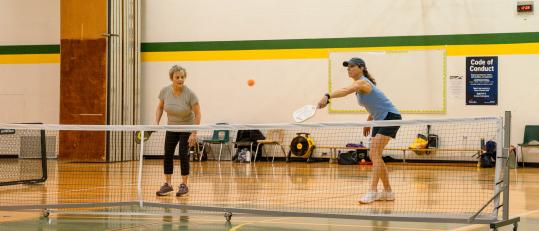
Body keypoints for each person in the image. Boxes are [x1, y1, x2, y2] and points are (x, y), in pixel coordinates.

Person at [317, 57, 401, 204]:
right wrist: (369, 121)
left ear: (361, 68)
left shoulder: (362, 82)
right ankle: (388, 192)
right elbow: (375, 104)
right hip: (379, 119)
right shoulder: (361, 86)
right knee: (376, 155)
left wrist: (327, 95)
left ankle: (373, 191)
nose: (348, 69)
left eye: (352, 66)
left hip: (390, 117)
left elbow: (345, 90)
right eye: (347, 67)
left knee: (374, 154)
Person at [155, 65, 201, 196]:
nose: (180, 79)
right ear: (172, 78)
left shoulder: (190, 94)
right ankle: (168, 184)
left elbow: (198, 114)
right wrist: (156, 123)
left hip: (187, 127)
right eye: (177, 77)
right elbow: (160, 107)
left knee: (183, 154)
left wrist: (194, 133)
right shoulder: (165, 91)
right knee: (168, 154)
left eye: (182, 77)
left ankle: (184, 185)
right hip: (172, 127)